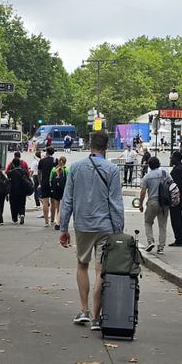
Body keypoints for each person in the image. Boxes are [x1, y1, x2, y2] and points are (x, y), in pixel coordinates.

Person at [58, 129, 124, 330]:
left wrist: (63, 228)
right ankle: (96, 317)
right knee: (101, 270)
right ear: (106, 147)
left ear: (90, 145)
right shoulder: (112, 170)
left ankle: (84, 310)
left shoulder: (76, 168)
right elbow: (116, 203)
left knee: (82, 265)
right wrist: (119, 230)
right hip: (105, 226)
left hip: (83, 225)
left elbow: (67, 200)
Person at [137, 154, 171, 254]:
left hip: (152, 202)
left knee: (148, 222)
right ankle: (161, 247)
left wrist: (140, 204)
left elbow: (143, 192)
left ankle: (150, 241)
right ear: (159, 164)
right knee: (162, 225)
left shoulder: (147, 177)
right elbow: (171, 185)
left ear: (149, 165)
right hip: (164, 202)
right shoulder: (165, 174)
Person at [6, 147, 32, 224]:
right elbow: (28, 176)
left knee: (13, 204)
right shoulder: (24, 170)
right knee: (22, 203)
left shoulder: (10, 173)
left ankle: (14, 218)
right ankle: (22, 214)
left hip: (13, 191)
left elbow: (7, 177)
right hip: (22, 190)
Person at [37, 143, 57, 226]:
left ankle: (46, 221)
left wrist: (39, 182)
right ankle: (52, 220)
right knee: (53, 202)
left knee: (45, 201)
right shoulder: (55, 160)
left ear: (46, 152)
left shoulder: (42, 161)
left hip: (44, 182)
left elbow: (39, 172)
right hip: (53, 183)